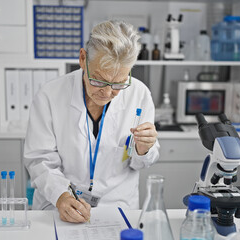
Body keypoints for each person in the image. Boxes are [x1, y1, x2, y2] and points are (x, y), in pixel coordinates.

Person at [24, 20, 160, 223]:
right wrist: (60, 196)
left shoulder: (139, 95)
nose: (107, 92)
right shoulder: (50, 95)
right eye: (98, 80)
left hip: (118, 207)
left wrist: (144, 148)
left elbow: (142, 161)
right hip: (58, 205)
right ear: (82, 58)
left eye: (118, 84)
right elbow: (39, 160)